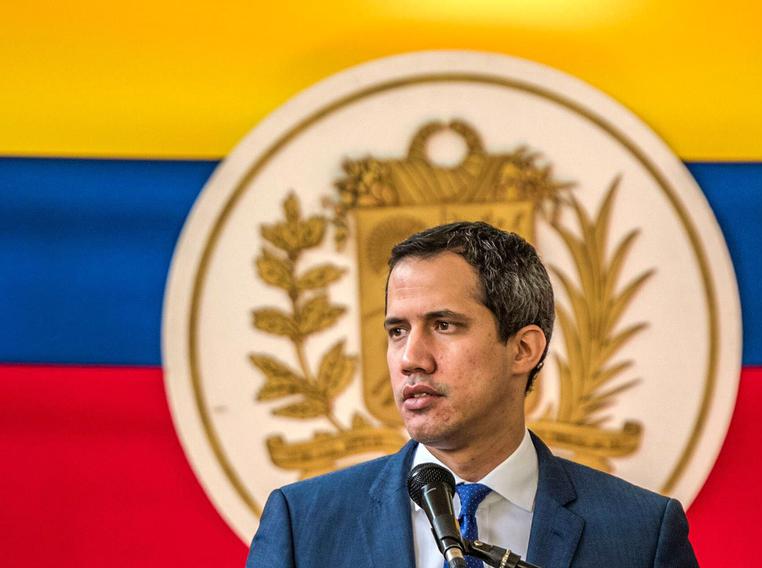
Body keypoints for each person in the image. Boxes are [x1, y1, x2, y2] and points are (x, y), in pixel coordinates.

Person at [246, 221, 699, 567]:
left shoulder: (640, 535)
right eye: (397, 330)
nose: (411, 358)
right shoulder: (302, 525)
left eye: (444, 325)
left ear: (523, 349)